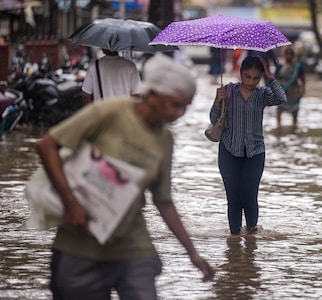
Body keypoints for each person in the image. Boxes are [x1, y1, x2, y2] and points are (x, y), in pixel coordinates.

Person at [36, 53, 215, 299]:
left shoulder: (164, 139)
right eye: (175, 104)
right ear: (152, 95)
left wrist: (193, 253)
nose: (181, 113)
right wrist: (70, 203)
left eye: (186, 106)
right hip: (81, 238)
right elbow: (47, 146)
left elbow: (163, 200)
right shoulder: (109, 112)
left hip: (132, 242)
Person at [209, 55, 286, 235]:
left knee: (250, 196)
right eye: (247, 76)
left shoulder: (263, 94)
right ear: (240, 73)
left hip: (255, 152)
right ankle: (234, 239)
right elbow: (214, 119)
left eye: (256, 78)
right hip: (229, 150)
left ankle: (252, 235)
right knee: (233, 197)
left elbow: (282, 98)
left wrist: (269, 75)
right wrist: (217, 100)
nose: (251, 82)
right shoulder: (228, 91)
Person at [275, 47, 306, 131]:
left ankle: (294, 127)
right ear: (284, 55)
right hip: (282, 91)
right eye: (287, 54)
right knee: (279, 110)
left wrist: (303, 89)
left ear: (293, 55)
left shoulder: (297, 67)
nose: (289, 56)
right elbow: (275, 78)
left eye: (291, 54)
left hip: (294, 92)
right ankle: (279, 127)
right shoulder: (280, 66)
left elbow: (302, 79)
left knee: (294, 111)